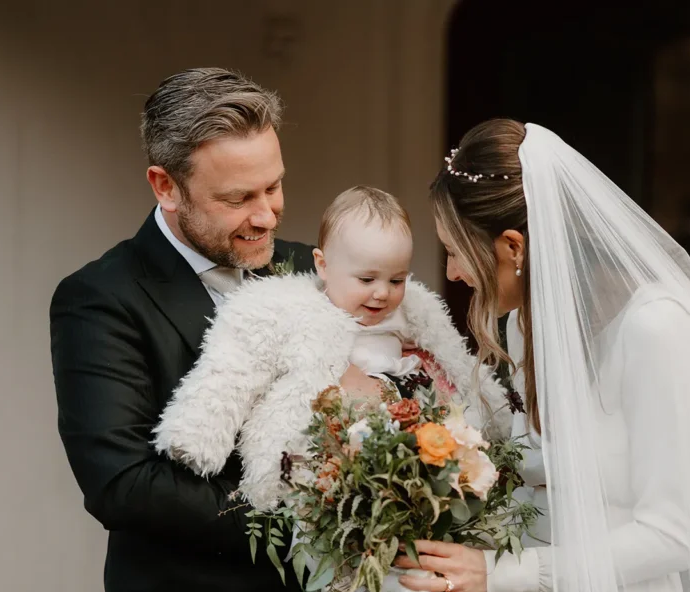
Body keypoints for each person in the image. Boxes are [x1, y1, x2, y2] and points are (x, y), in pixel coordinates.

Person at [395, 119, 690, 592]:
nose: (453, 273)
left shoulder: (658, 330)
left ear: (513, 246)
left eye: (458, 252)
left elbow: (668, 535)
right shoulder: (532, 327)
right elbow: (536, 470)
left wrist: (499, 571)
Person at [49, 68, 381, 592]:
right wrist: (323, 525)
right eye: (236, 200)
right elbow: (123, 483)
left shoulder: (317, 271)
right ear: (165, 186)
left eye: (275, 187)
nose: (266, 216)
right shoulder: (101, 298)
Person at [153, 185, 508, 512]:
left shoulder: (412, 310)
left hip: (399, 461)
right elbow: (236, 363)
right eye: (367, 279)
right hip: (312, 457)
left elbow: (454, 357)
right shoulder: (293, 308)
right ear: (323, 265)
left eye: (397, 279)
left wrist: (493, 420)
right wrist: (196, 434)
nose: (383, 292)